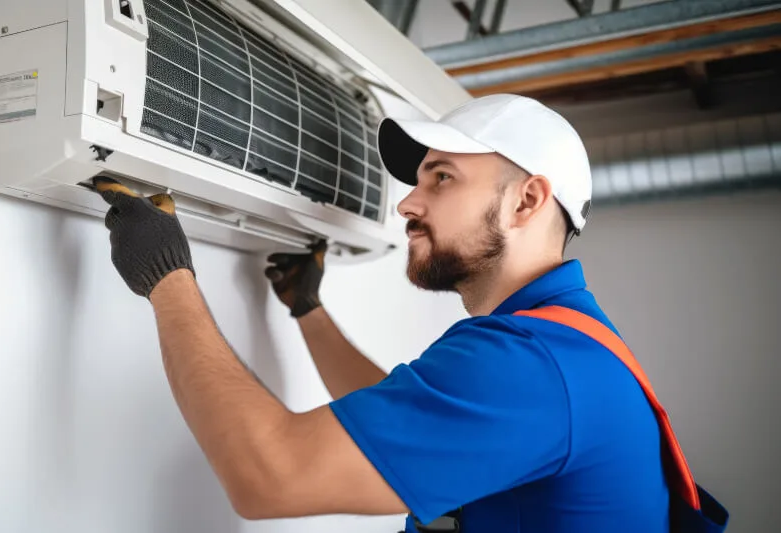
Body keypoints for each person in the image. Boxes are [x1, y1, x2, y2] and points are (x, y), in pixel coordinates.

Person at [92, 94, 670, 532]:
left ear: (526, 201)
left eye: (442, 177)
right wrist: (308, 310)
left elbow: (268, 477)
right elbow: (405, 420)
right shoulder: (565, 346)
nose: (407, 202)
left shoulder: (531, 365)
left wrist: (168, 278)